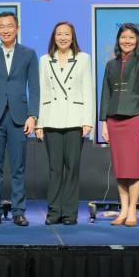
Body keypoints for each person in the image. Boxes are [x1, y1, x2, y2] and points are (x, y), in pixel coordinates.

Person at [0, 11, 39, 226]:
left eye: (9, 26)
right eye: (1, 26)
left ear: (17, 28)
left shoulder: (29, 54)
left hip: (19, 118)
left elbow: (35, 88)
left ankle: (18, 211)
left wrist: (33, 116)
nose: (5, 30)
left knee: (18, 168)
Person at [35, 21, 94, 225]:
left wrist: (87, 121)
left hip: (75, 119)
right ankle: (54, 211)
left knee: (72, 167)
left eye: (67, 34)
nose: (63, 37)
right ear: (54, 37)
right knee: (55, 169)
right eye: (59, 34)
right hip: (51, 119)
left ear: (72, 37)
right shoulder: (44, 60)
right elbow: (42, 91)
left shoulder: (83, 58)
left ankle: (69, 213)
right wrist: (39, 123)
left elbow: (87, 89)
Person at [98, 23, 139, 227]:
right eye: (123, 37)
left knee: (134, 168)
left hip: (135, 119)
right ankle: (123, 210)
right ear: (118, 40)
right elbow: (105, 94)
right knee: (120, 168)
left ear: (137, 40)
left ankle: (132, 210)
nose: (127, 41)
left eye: (131, 37)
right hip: (114, 120)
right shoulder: (111, 64)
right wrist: (104, 123)